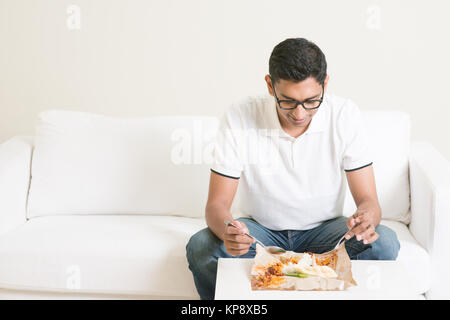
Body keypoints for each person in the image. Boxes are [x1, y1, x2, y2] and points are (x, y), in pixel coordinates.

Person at [186, 38, 400, 300]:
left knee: (384, 243)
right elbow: (216, 205)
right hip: (260, 233)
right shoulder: (241, 115)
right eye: (287, 101)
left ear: (325, 84)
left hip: (326, 232)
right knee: (202, 246)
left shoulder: (344, 115)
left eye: (311, 100)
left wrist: (366, 218)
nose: (299, 113)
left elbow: (369, 201)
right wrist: (229, 230)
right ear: (269, 85)